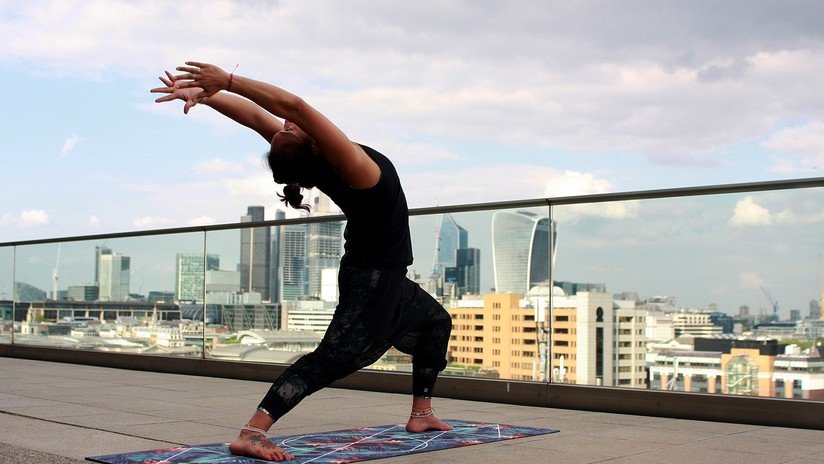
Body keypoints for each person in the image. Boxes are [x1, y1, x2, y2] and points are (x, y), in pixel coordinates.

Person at [151, 61, 453, 462]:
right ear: (312, 144)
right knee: (330, 360)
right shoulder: (351, 165)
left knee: (436, 322)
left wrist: (208, 98)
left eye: (286, 128)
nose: (285, 124)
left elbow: (257, 116)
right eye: (290, 129)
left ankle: (422, 413)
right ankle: (253, 431)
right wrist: (224, 81)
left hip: (384, 275)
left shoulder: (316, 161)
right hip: (373, 281)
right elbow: (293, 105)